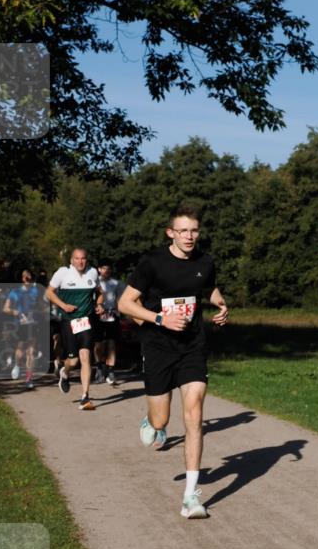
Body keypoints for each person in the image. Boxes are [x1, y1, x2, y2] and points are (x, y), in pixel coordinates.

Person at [118, 205, 228, 519]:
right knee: (162, 420)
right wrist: (159, 319)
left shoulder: (205, 262)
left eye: (194, 230)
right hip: (157, 345)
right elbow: (125, 303)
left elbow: (209, 289)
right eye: (183, 231)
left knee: (194, 413)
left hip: (193, 346)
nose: (189, 236)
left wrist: (220, 304)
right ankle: (151, 421)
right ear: (171, 233)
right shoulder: (152, 263)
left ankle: (190, 497)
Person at [46, 249, 103, 411]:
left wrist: (99, 304)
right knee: (74, 361)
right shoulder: (62, 273)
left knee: (86, 356)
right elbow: (49, 292)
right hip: (68, 321)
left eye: (83, 258)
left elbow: (99, 293)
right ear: (71, 260)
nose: (80, 262)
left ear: (87, 260)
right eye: (77, 259)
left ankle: (85, 397)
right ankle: (65, 371)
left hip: (86, 320)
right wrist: (63, 305)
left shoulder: (92, 273)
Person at [3, 269, 42, 389]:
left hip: (33, 324)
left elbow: (41, 306)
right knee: (20, 349)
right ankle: (17, 365)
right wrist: (14, 311)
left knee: (30, 352)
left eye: (29, 276)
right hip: (20, 325)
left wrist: (40, 312)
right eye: (24, 276)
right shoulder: (15, 292)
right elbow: (5, 308)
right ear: (21, 278)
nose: (27, 278)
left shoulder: (36, 291)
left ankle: (29, 378)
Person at [94, 262, 125, 386]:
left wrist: (121, 313)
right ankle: (100, 369)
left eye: (108, 268)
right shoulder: (94, 282)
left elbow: (122, 299)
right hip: (98, 315)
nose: (106, 270)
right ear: (99, 269)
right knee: (98, 344)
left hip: (112, 315)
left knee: (111, 343)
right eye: (104, 268)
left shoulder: (116, 283)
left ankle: (111, 371)